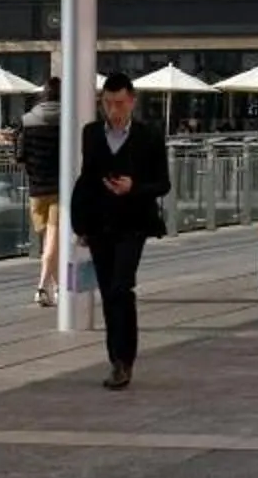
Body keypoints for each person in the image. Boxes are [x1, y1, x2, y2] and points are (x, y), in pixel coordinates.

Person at [70, 74, 170, 390]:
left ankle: (125, 359)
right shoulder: (91, 134)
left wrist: (134, 187)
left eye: (120, 103)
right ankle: (116, 360)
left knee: (121, 288)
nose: (114, 110)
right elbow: (86, 180)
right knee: (108, 292)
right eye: (108, 103)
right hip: (100, 224)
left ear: (132, 101)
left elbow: (163, 183)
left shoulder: (149, 135)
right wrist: (80, 225)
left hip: (133, 223)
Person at [14, 90, 64, 307]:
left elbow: (18, 155)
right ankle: (46, 287)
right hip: (60, 186)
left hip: (36, 187)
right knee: (52, 242)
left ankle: (52, 287)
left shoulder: (25, 121)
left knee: (47, 240)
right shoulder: (69, 119)